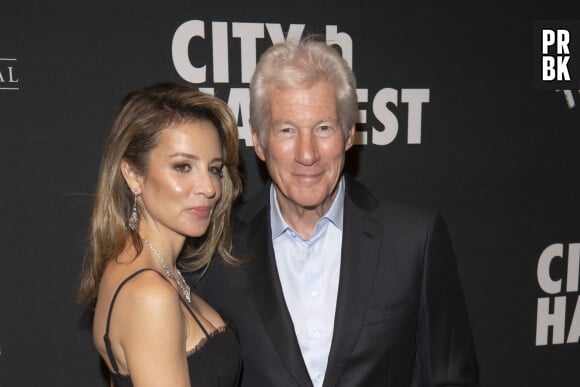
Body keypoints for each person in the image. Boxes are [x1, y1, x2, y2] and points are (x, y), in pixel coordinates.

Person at [192, 38, 479, 386]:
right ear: (259, 140)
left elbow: (449, 376)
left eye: (323, 128)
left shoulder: (413, 239)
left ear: (348, 134)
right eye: (287, 130)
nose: (307, 153)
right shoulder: (219, 252)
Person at [78, 83, 243, 387]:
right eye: (183, 166)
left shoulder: (137, 268)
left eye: (215, 169)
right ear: (133, 174)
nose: (209, 188)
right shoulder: (149, 294)